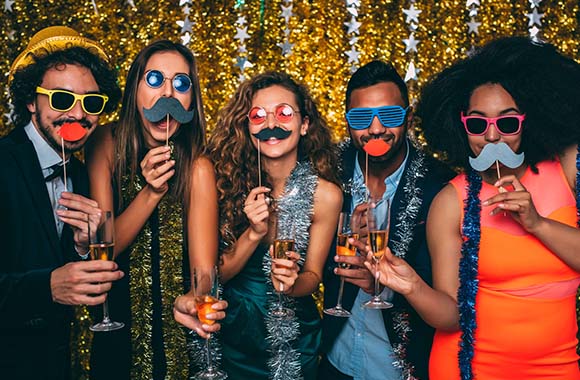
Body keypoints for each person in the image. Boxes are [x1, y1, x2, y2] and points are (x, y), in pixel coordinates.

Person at [364, 37, 580, 379]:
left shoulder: (567, 170)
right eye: (478, 124)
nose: (492, 137)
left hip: (560, 367)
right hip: (471, 370)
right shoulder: (452, 200)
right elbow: (452, 316)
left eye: (507, 123)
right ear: (462, 126)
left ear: (529, 121)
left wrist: (536, 223)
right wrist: (412, 286)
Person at [86, 40, 225, 380]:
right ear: (134, 88)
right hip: (115, 332)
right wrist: (151, 192)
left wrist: (194, 300)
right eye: (154, 80)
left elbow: (204, 275)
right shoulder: (104, 144)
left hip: (178, 340)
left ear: (192, 99)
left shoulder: (197, 167)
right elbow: (102, 254)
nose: (168, 96)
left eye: (181, 84)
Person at [0, 26, 123, 379]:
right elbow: (52, 282)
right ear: (30, 101)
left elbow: (62, 267)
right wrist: (47, 287)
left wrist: (81, 248)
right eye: (61, 99)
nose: (78, 115)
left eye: (91, 103)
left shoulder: (83, 177)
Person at [318, 60, 454, 380]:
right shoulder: (327, 171)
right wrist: (343, 251)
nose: (376, 128)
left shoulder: (439, 187)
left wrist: (384, 287)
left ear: (407, 118)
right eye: (362, 118)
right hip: (336, 359)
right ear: (348, 122)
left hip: (399, 367)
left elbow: (449, 298)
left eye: (390, 116)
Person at [207, 71, 342, 380]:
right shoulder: (222, 184)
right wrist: (254, 232)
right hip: (230, 334)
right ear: (246, 125)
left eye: (283, 113)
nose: (271, 125)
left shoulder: (326, 196)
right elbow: (213, 275)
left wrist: (293, 283)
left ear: (304, 124)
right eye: (258, 115)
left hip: (293, 343)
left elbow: (313, 276)